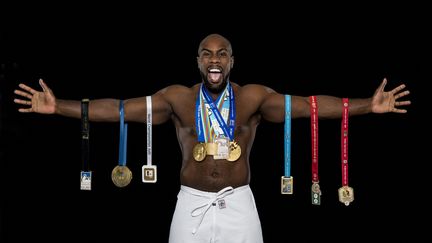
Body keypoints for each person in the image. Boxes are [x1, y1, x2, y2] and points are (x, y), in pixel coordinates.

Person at [13, 33, 411, 243]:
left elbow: (306, 106)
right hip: (191, 208)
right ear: (199, 61)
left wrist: (364, 106)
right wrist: (59, 106)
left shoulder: (253, 97)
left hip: (239, 205)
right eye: (207, 53)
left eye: (222, 53)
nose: (215, 59)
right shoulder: (178, 99)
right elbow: (119, 108)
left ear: (232, 61)